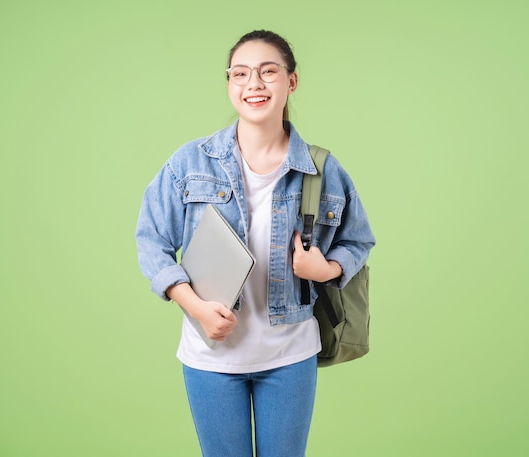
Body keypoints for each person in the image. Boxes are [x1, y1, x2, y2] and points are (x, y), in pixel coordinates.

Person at [136, 29, 375, 457]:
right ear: (229, 83)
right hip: (211, 356)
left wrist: (327, 270)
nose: (254, 84)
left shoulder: (321, 168)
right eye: (240, 74)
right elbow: (151, 242)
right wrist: (194, 306)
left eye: (268, 72)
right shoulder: (189, 162)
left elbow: (357, 240)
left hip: (290, 353)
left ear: (291, 82)